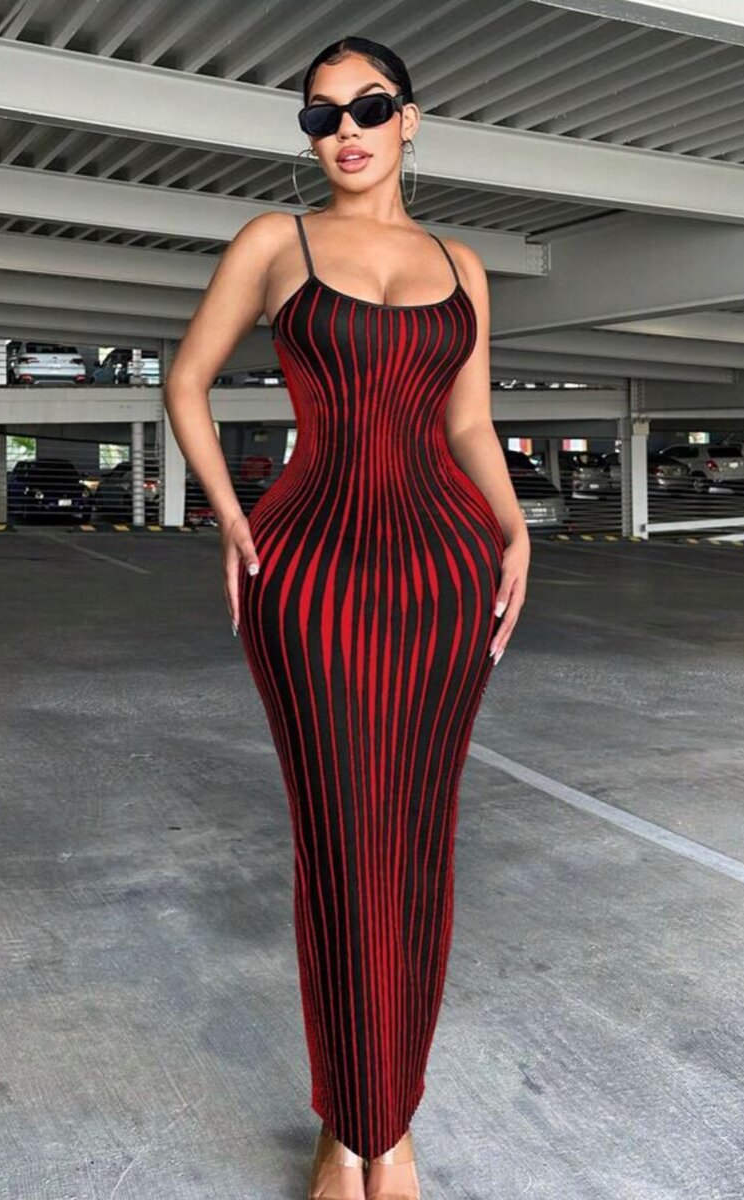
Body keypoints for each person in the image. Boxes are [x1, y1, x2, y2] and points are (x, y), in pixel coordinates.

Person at [164, 34, 530, 1200]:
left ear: (409, 119)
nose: (345, 132)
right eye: (319, 116)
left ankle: (393, 1125)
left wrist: (514, 529)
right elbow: (185, 380)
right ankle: (345, 1129)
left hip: (443, 573)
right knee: (338, 844)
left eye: (368, 107)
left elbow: (467, 424)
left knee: (418, 840)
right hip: (311, 573)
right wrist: (231, 517)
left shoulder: (462, 264)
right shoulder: (275, 242)